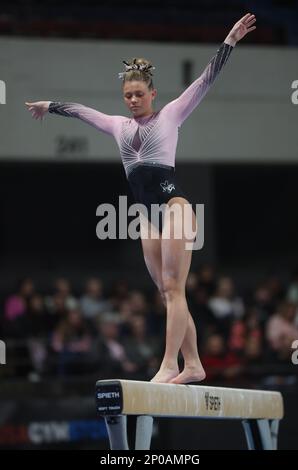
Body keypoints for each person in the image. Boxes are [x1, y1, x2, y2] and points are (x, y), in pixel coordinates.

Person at [25, 13, 256, 384]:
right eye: (127, 95)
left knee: (175, 289)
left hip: (174, 208)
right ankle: (193, 363)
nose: (132, 100)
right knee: (167, 295)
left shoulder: (171, 115)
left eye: (138, 94)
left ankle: (168, 365)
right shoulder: (119, 126)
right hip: (147, 218)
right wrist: (48, 105)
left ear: (153, 94)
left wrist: (229, 40)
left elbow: (205, 80)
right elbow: (83, 113)